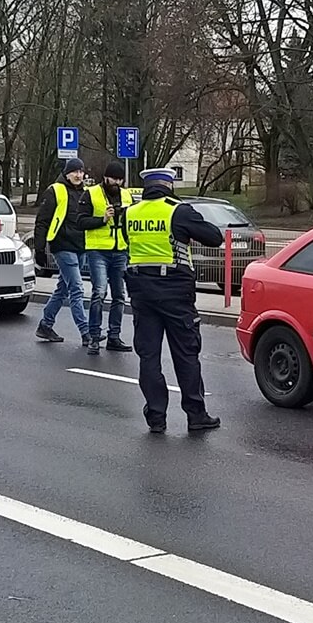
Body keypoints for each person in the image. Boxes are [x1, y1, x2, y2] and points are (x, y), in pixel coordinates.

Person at [123, 166, 225, 434]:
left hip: (141, 291)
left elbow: (128, 243)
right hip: (174, 290)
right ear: (169, 185)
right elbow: (214, 238)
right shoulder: (177, 211)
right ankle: (196, 414)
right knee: (186, 353)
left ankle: (156, 417)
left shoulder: (130, 213)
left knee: (149, 355)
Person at [32, 158, 97, 347]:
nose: (78, 175)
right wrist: (40, 248)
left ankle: (45, 325)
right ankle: (86, 333)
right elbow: (42, 221)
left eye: (81, 172)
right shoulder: (55, 190)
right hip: (62, 246)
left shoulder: (86, 192)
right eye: (74, 172)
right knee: (76, 288)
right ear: (67, 173)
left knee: (63, 289)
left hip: (81, 246)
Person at [82, 161, 137, 357]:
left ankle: (114, 336)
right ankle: (94, 337)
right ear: (105, 177)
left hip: (120, 249)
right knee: (99, 292)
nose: (117, 182)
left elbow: (132, 221)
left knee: (119, 295)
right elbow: (80, 222)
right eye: (113, 178)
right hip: (98, 249)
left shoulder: (126, 195)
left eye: (120, 179)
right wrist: (102, 219)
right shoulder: (90, 193)